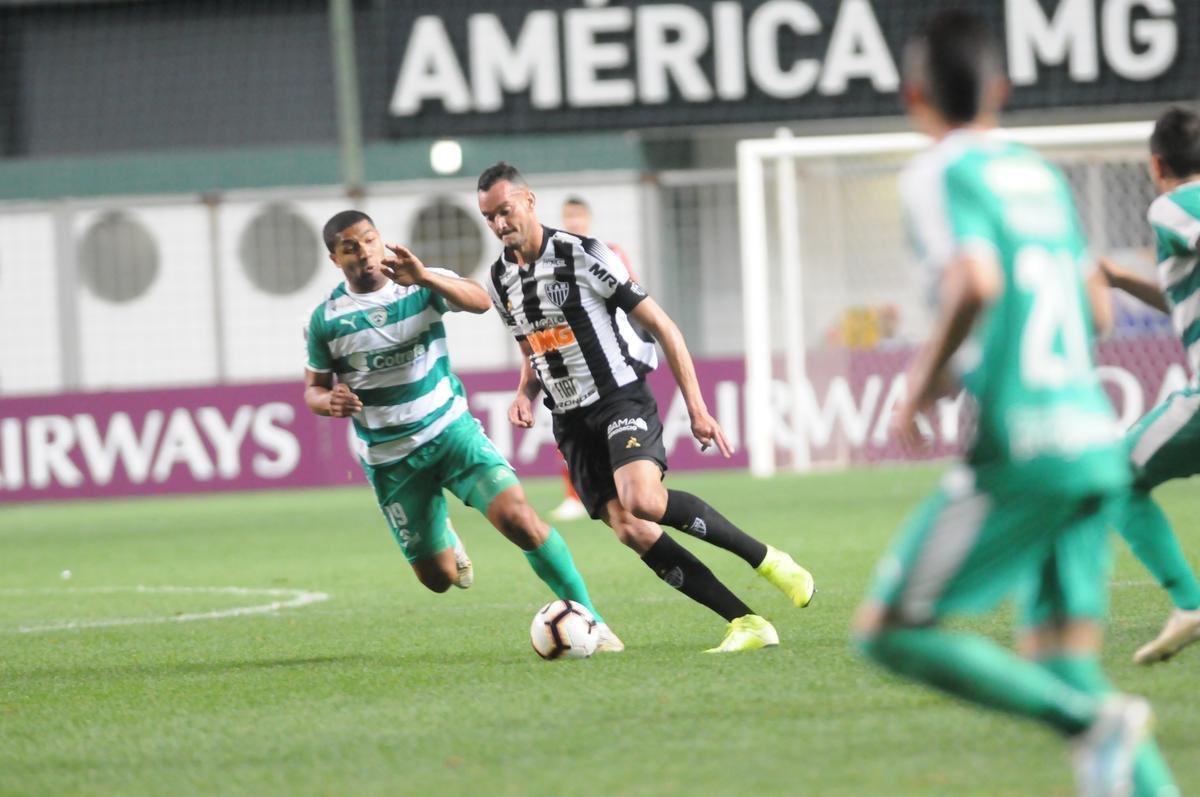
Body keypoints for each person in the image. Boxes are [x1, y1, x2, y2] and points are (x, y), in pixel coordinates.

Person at [853, 12, 1177, 797]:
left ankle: (1089, 723)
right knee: (1065, 663)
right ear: (999, 89)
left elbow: (977, 282)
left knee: (888, 631)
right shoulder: (1038, 172)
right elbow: (1097, 315)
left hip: (1022, 449)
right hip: (1091, 437)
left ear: (913, 94)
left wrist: (922, 383)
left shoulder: (936, 173)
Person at [476, 162, 815, 653]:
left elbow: (663, 326)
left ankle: (768, 560)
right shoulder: (499, 278)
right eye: (489, 217)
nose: (499, 225)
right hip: (569, 418)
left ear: (528, 201)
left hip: (618, 397)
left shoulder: (584, 254)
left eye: (505, 211)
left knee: (644, 501)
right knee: (631, 529)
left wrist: (696, 408)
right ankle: (746, 622)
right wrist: (525, 392)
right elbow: (531, 344)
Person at [304, 210, 622, 651]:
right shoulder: (326, 320)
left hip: (451, 432)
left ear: (381, 240)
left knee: (519, 520)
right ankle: (446, 537)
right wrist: (329, 401)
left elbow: (479, 300)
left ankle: (595, 622)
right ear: (334, 259)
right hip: (392, 460)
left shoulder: (418, 280)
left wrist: (426, 280)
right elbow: (314, 390)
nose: (365, 253)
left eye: (370, 240)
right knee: (439, 580)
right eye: (350, 248)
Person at [1100, 105, 1200, 665]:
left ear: (1156, 163)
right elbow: (1181, 298)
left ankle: (1190, 604)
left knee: (1116, 476)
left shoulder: (1172, 203)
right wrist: (1119, 279)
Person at [547, 196, 640, 523]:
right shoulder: (553, 262)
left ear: (588, 219)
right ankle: (574, 495)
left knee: (615, 427)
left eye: (578, 216)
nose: (573, 222)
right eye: (567, 216)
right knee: (573, 429)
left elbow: (633, 297)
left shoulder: (608, 253)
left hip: (612, 356)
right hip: (572, 359)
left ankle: (630, 488)